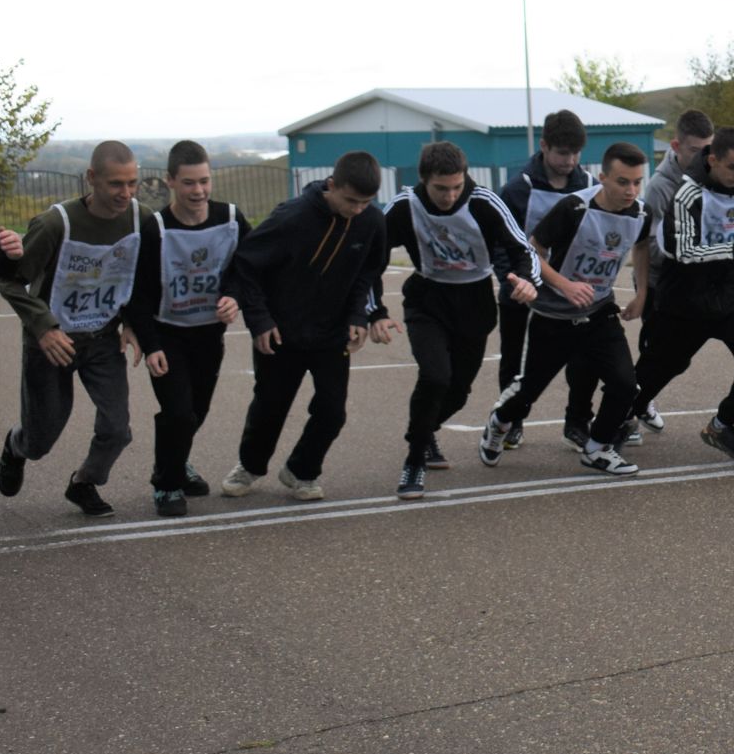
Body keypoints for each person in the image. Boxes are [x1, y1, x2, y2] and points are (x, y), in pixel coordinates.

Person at [222, 151, 396, 502]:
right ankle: (250, 466)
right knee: (270, 406)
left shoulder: (372, 222)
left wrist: (361, 316)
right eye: (351, 200)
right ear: (332, 185)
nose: (358, 209)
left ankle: (302, 471)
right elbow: (246, 265)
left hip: (333, 335)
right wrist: (260, 321)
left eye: (366, 202)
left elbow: (368, 273)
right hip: (281, 332)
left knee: (333, 412)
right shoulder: (291, 217)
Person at [482, 141, 649, 476]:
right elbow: (532, 251)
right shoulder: (573, 208)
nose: (631, 190)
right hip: (554, 315)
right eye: (622, 182)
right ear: (602, 178)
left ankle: (597, 448)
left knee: (625, 385)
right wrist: (565, 285)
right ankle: (500, 421)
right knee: (529, 391)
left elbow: (642, 246)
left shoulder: (641, 213)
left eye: (637, 182)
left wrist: (642, 292)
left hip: (599, 311)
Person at [385, 142, 540, 500]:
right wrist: (371, 309)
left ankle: (424, 432)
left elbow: (523, 250)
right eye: (441, 188)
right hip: (427, 299)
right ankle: (414, 460)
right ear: (424, 180)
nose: (450, 195)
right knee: (434, 376)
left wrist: (526, 282)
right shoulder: (404, 206)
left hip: (474, 302)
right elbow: (368, 255)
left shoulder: (484, 201)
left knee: (458, 392)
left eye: (457, 186)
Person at [0, 141, 144, 519]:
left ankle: (84, 483)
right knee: (41, 439)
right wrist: (43, 327)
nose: (125, 193)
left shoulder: (139, 219)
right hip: (52, 343)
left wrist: (131, 322)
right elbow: (10, 281)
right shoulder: (53, 224)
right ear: (91, 178)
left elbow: (138, 277)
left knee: (117, 429)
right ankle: (15, 449)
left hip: (101, 339)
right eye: (115, 184)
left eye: (132, 183)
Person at [629, 126, 734, 465]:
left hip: (728, 301)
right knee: (661, 368)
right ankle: (624, 414)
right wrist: (733, 251)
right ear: (712, 160)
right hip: (684, 303)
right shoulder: (687, 194)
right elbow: (681, 251)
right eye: (732, 167)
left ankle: (723, 425)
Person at [123, 141, 252, 518]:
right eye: (189, 183)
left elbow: (246, 268)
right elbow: (138, 293)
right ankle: (166, 485)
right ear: (170, 181)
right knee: (177, 412)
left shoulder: (230, 218)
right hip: (167, 336)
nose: (198, 191)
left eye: (204, 181)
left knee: (195, 412)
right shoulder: (156, 228)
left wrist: (233, 295)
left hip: (208, 335)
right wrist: (150, 344)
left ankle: (176, 462)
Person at [492, 109, 597, 449]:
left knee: (584, 357)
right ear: (544, 147)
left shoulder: (591, 186)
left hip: (570, 290)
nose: (570, 161)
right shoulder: (516, 189)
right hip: (522, 288)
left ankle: (578, 421)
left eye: (576, 153)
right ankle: (511, 420)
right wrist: (512, 281)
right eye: (562, 153)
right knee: (515, 360)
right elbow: (499, 242)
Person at [635, 108, 715, 433]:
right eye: (695, 150)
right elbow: (652, 247)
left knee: (676, 357)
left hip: (692, 284)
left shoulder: (710, 176)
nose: (703, 157)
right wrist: (694, 248)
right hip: (660, 285)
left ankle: (638, 400)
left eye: (707, 149)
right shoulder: (659, 187)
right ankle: (629, 407)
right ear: (676, 146)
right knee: (658, 355)